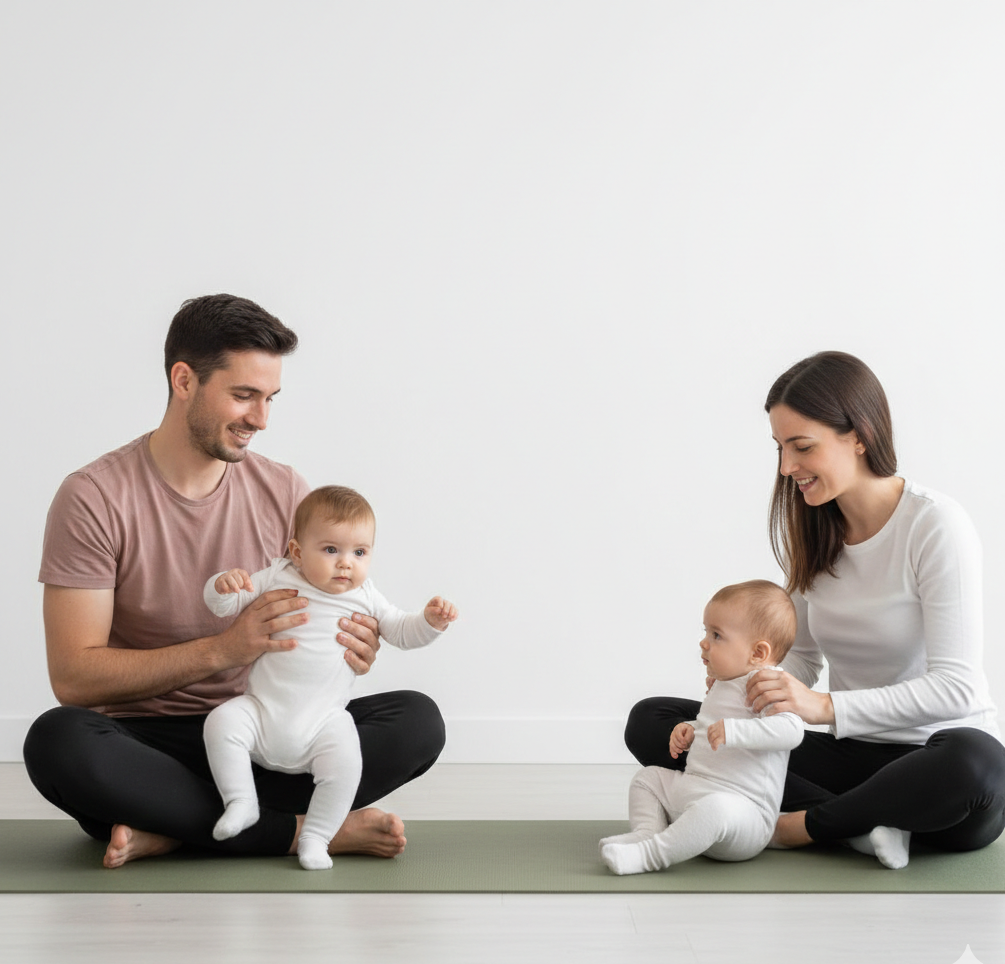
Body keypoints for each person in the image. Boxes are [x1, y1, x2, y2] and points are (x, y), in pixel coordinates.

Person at [23, 293, 446, 868]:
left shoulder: (286, 491)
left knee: (416, 719)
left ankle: (175, 826)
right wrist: (224, 649)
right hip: (146, 741)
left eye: (270, 398)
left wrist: (353, 646)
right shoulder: (94, 497)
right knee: (58, 742)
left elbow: (333, 607)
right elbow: (74, 677)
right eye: (244, 395)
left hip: (269, 733)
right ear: (183, 380)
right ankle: (300, 832)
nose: (261, 419)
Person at [625, 351, 1005, 869]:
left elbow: (956, 687)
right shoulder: (816, 530)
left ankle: (802, 826)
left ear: (860, 436)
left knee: (980, 764)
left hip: (932, 762)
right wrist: (748, 683)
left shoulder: (935, 526)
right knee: (655, 720)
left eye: (802, 447)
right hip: (852, 758)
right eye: (780, 448)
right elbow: (798, 660)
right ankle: (864, 824)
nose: (786, 468)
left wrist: (823, 708)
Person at [203, 484, 458, 870]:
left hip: (323, 722)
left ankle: (317, 837)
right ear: (296, 552)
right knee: (220, 723)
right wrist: (223, 585)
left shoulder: (366, 595)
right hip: (260, 712)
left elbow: (402, 632)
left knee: (346, 761)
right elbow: (226, 603)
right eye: (330, 550)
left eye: (359, 552)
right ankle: (241, 801)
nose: (345, 563)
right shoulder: (278, 575)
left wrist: (430, 622)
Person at [601, 580, 803, 875]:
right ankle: (648, 832)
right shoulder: (726, 682)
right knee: (647, 779)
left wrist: (734, 732)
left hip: (743, 815)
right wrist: (689, 727)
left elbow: (791, 731)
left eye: (717, 635)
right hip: (696, 790)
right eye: (706, 631)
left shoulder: (768, 685)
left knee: (715, 809)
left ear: (758, 653)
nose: (704, 642)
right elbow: (711, 723)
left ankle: (651, 855)